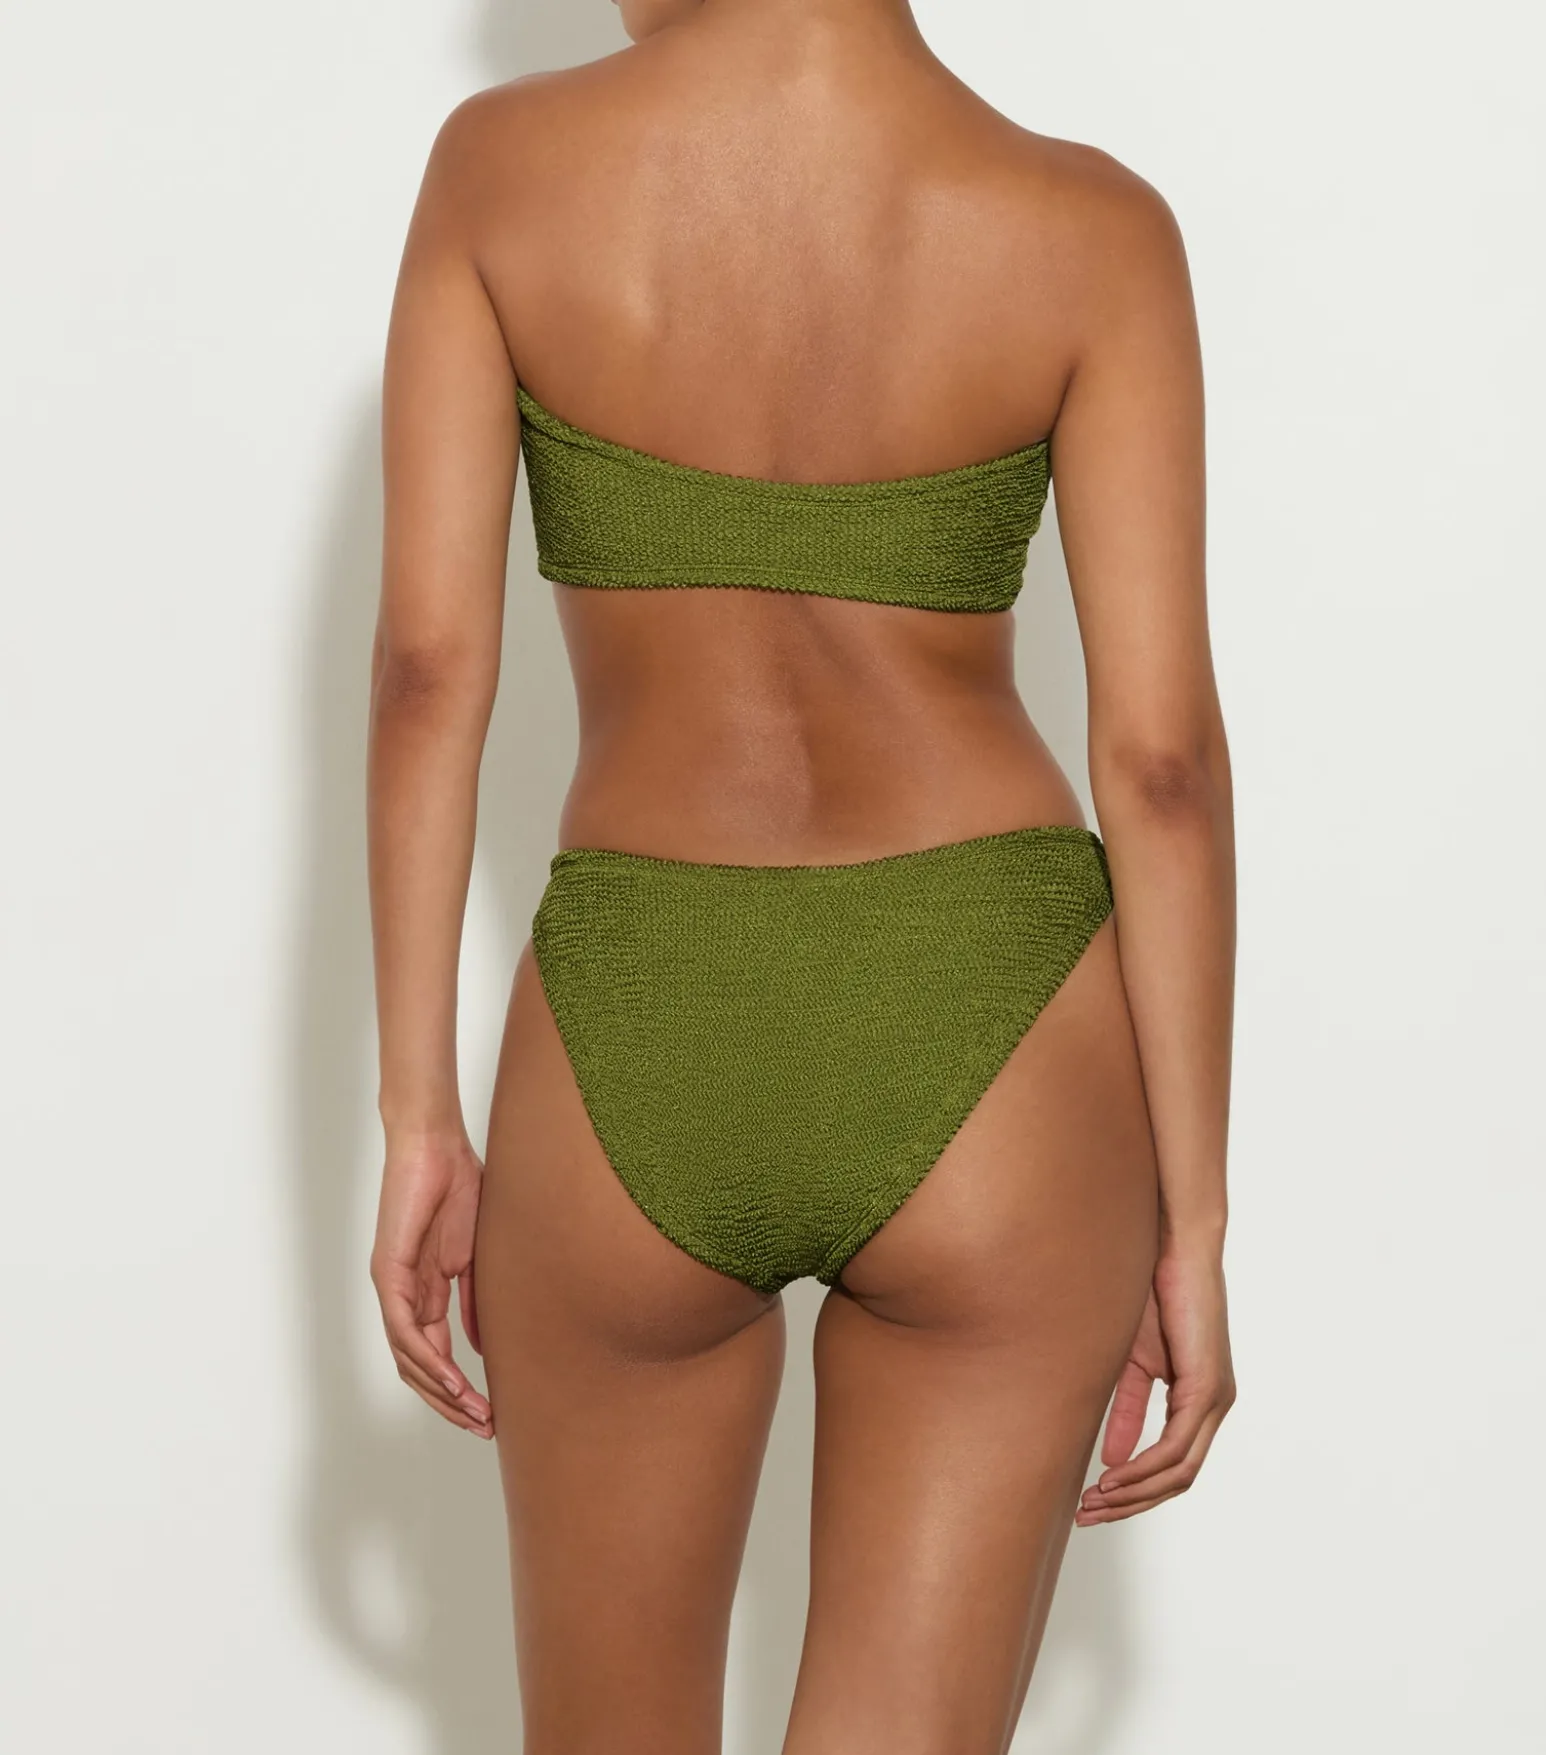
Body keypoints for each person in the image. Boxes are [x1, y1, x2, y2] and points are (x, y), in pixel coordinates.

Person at [365, 0, 1237, 1748]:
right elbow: (1157, 761)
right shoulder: (1086, 226)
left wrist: (418, 1119)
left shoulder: (501, 171)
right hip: (992, 1020)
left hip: (637, 1014)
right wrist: (1195, 1216)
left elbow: (427, 673)